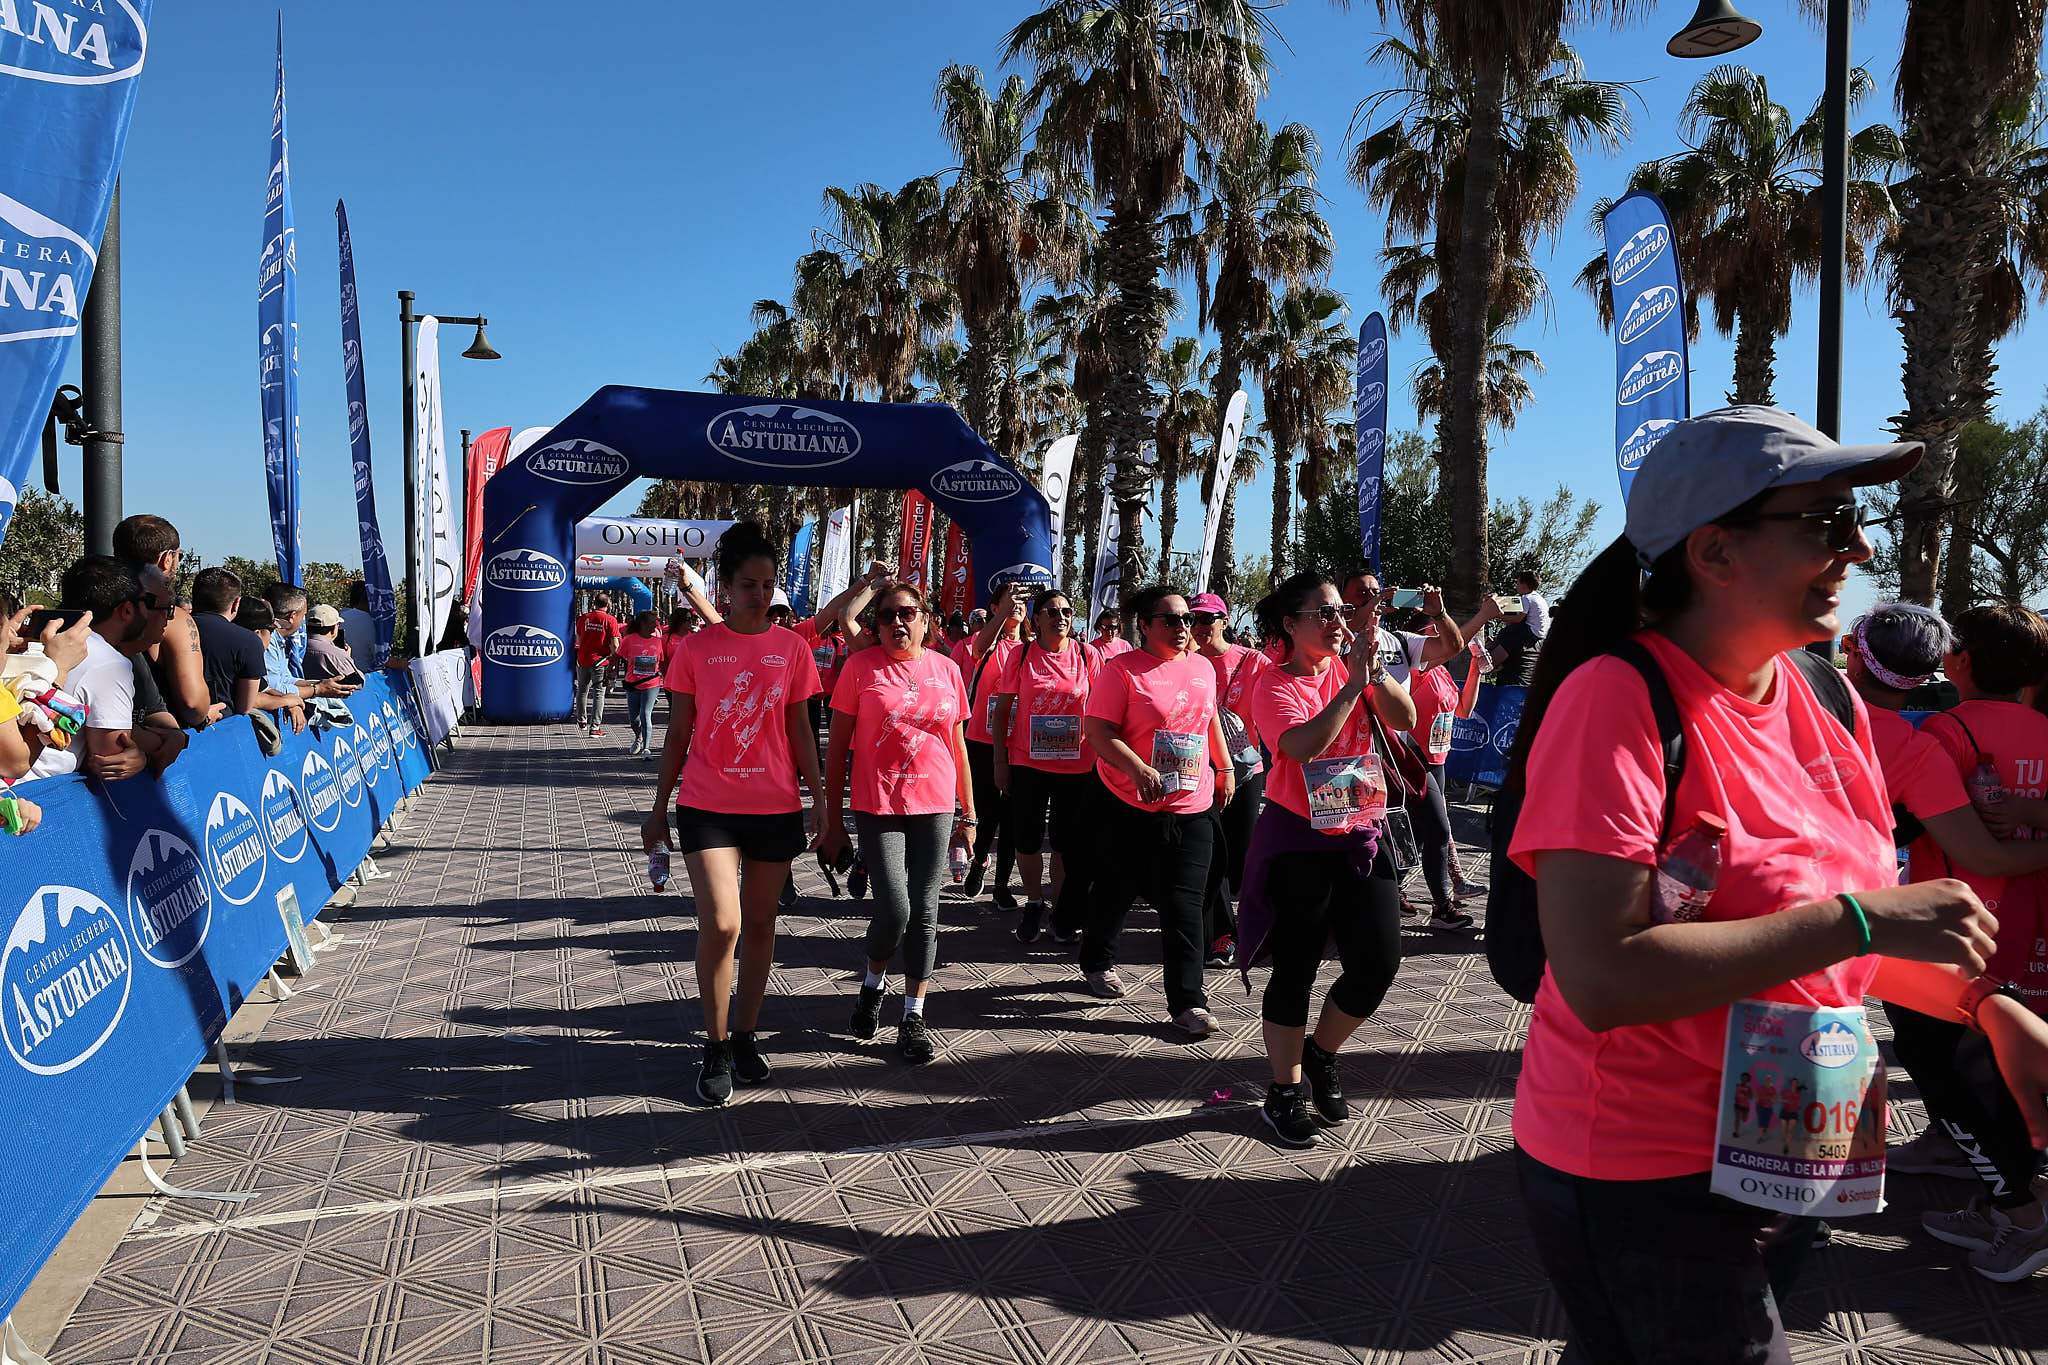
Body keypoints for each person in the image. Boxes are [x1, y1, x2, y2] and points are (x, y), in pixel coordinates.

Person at [1503, 406, 2048, 1352]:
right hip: (1642, 1162)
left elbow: (1842, 951)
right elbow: (1601, 976)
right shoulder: (1617, 698)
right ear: (1714, 552)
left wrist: (1988, 1008)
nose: (1862, 547)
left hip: (1789, 1142)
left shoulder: (1824, 692)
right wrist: (1860, 919)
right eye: (1828, 522)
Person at [1884, 603, 2048, 1270]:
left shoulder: (1944, 734)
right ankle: (1984, 1178)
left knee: (1955, 1073)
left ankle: (2021, 1214)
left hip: (1963, 937)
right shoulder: (2043, 727)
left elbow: (1906, 827)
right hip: (2033, 929)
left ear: (1960, 662)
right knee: (2008, 1072)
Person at [643, 522, 824, 1106]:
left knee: (764, 925)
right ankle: (715, 1043)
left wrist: (822, 800)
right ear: (724, 586)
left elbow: (801, 730)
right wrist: (657, 808)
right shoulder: (696, 649)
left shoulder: (793, 648)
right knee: (724, 924)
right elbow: (678, 733)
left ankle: (745, 1036)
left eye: (769, 584)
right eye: (749, 584)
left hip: (775, 806)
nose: (761, 595)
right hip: (706, 806)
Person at [1238, 571, 1415, 1145]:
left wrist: (1371, 674)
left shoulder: (1353, 666)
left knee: (1379, 962)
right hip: (1300, 841)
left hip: (1362, 831)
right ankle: (1283, 1092)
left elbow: (1406, 718)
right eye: (1326, 614)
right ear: (1291, 625)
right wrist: (1348, 688)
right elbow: (1298, 746)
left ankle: (1322, 1052)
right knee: (1297, 967)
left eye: (1343, 612)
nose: (1340, 622)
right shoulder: (1271, 684)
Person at [817, 581, 975, 1063]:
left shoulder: (947, 669)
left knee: (926, 911)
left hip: (935, 804)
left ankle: (913, 1016)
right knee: (896, 909)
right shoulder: (860, 669)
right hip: (878, 804)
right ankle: (871, 986)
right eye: (887, 616)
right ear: (876, 624)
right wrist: (832, 819)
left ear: (926, 620)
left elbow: (958, 746)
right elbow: (838, 749)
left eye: (908, 613)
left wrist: (969, 813)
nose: (898, 623)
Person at [1081, 585, 1234, 1035]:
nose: (1184, 628)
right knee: (1116, 887)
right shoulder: (1122, 671)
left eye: (1187, 619)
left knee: (1184, 901)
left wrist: (1223, 768)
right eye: (1171, 620)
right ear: (1144, 626)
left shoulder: (1203, 668)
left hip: (1192, 800)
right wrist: (1138, 768)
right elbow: (1097, 729)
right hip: (1129, 801)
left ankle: (1189, 1002)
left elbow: (1208, 721)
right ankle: (1097, 959)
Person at [1338, 575, 1481, 934]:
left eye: (1377, 591)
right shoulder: (1337, 640)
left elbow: (1451, 646)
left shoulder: (1400, 641)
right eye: (1363, 593)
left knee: (1436, 826)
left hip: (1401, 752)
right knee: (1368, 838)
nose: (1374, 597)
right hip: (1355, 756)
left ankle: (1442, 905)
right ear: (1345, 600)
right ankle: (1367, 907)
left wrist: (1440, 612)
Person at [992, 588, 1105, 945]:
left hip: (1078, 766)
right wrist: (1000, 760)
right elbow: (1003, 711)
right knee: (1026, 841)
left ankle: (1061, 909)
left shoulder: (1088, 656)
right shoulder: (1021, 655)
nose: (1061, 618)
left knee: (1066, 844)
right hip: (1028, 764)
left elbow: (1104, 711)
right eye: (1052, 612)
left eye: (1068, 611)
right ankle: (1034, 902)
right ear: (1036, 618)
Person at [28, 557, 187, 781]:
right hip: (33, 797)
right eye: (145, 602)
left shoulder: (36, 640)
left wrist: (162, 739)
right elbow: (112, 752)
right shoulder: (108, 662)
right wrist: (143, 756)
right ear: (127, 610)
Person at [1191, 591, 1268, 966]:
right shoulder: (1184, 662)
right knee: (1212, 854)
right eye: (1193, 620)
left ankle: (1249, 921)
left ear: (1224, 621)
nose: (1199, 628)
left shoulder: (1251, 661)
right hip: (1199, 774)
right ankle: (1223, 933)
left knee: (1243, 853)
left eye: (1207, 619)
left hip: (1246, 770)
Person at [956, 583, 1028, 909]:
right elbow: (978, 648)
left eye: (1021, 602)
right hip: (982, 741)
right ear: (996, 606)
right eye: (1008, 601)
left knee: (1013, 817)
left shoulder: (1032, 648)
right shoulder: (983, 644)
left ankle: (1002, 886)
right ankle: (979, 861)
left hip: (1020, 745)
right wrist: (1001, 615)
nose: (1016, 606)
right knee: (989, 813)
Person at [111, 513, 218, 730]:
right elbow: (193, 704)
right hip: (155, 742)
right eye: (178, 556)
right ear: (166, 558)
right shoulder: (175, 618)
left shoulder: (95, 603)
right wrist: (205, 713)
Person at [191, 567, 301, 726]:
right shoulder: (248, 642)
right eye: (270, 630)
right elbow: (245, 705)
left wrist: (288, 700)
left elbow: (263, 689)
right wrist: (286, 701)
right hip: (219, 729)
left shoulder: (171, 629)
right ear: (236, 604)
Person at [618, 609, 666, 758]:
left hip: (652, 683)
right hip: (632, 683)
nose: (655, 626)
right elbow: (618, 655)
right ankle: (638, 738)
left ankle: (646, 748)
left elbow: (662, 662)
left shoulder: (658, 642)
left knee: (645, 714)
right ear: (643, 624)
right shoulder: (629, 639)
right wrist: (611, 672)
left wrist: (666, 677)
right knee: (634, 719)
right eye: (652, 623)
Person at [574, 593, 622, 735]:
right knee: (599, 693)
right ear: (608, 605)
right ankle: (595, 727)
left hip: (582, 659)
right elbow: (615, 643)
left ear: (594, 603)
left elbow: (579, 639)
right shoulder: (610, 620)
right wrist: (615, 657)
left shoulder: (584, 618)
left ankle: (581, 720)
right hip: (600, 661)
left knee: (582, 690)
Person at [338, 579, 379, 668]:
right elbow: (381, 657)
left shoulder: (340, 616)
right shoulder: (372, 623)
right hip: (365, 674)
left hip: (341, 670)